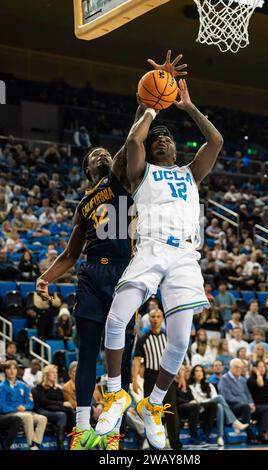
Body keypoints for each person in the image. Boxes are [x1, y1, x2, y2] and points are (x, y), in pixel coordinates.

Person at [98, 62, 223, 448]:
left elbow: (216, 142)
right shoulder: (142, 171)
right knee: (117, 319)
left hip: (186, 255)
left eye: (167, 139)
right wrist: (151, 106)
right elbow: (134, 142)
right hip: (151, 247)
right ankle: (117, 393)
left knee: (180, 342)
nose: (161, 141)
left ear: (176, 147)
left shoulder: (190, 172)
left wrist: (187, 106)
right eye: (157, 139)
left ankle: (153, 405)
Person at [35, 102, 145, 449]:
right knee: (86, 353)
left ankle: (111, 431)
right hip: (92, 278)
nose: (101, 154)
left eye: (105, 152)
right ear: (87, 169)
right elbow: (70, 254)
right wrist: (46, 277)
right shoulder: (84, 204)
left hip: (125, 275)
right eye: (95, 154)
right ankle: (82, 428)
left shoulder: (121, 179)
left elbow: (131, 140)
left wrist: (146, 102)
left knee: (122, 358)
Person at [132, 308, 181, 449]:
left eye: (158, 316)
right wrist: (135, 380)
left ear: (162, 319)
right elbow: (136, 361)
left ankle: (175, 442)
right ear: (149, 319)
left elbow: (177, 357)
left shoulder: (168, 337)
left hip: (167, 377)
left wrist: (180, 375)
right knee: (150, 410)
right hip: (150, 377)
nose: (155, 319)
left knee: (171, 410)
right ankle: (151, 439)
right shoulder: (143, 339)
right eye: (153, 316)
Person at [189, 365, 248, 446]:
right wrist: (209, 401)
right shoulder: (191, 386)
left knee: (220, 406)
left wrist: (210, 402)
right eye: (197, 371)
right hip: (199, 409)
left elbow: (215, 399)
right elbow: (197, 400)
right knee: (219, 398)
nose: (199, 373)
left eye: (201, 371)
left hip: (210, 410)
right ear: (193, 374)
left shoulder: (209, 385)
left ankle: (220, 437)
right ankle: (234, 422)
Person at [218, 358, 268, 444]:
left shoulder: (242, 380)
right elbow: (227, 397)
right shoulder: (224, 379)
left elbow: (248, 394)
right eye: (236, 367)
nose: (238, 369)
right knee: (245, 407)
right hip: (232, 407)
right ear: (230, 367)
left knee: (267, 409)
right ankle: (250, 436)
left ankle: (262, 435)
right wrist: (245, 404)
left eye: (240, 367)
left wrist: (252, 404)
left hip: (246, 406)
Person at [0, 361, 47, 450]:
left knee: (43, 419)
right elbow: (1, 406)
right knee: (28, 417)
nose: (12, 371)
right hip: (11, 413)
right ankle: (31, 445)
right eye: (9, 369)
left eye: (14, 368)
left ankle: (36, 443)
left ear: (17, 371)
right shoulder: (1, 387)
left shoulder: (23, 385)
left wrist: (25, 407)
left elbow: (30, 403)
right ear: (5, 371)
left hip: (25, 411)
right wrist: (15, 408)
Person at [33, 364, 75, 450]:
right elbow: (44, 402)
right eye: (52, 372)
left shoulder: (58, 389)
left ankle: (73, 444)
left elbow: (59, 403)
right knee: (62, 415)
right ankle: (61, 446)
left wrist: (65, 405)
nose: (55, 374)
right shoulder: (39, 388)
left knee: (71, 412)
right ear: (46, 374)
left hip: (55, 410)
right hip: (42, 410)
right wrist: (62, 404)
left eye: (56, 372)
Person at [175, 368, 217, 446]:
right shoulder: (172, 383)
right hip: (178, 409)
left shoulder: (186, 385)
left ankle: (206, 435)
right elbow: (174, 399)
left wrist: (192, 401)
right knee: (195, 406)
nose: (185, 373)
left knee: (212, 405)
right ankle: (193, 437)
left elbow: (192, 398)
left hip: (192, 408)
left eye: (186, 371)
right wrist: (188, 402)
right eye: (183, 370)